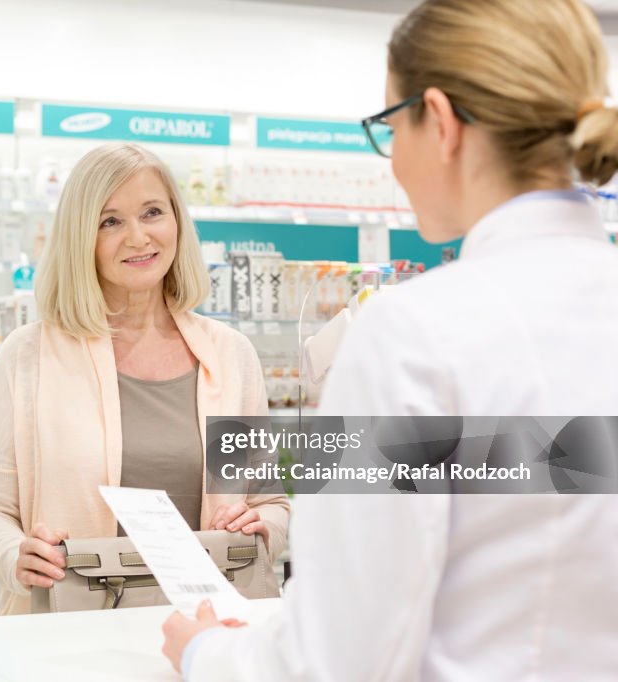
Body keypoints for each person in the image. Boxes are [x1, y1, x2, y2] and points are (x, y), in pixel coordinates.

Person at [163, 0, 618, 678]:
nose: (393, 161)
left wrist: (203, 651)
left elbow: (340, 660)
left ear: (438, 120)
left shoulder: (415, 332)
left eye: (388, 125)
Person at [0, 142, 291, 615]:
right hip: (69, 635)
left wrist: (260, 524)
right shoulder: (28, 355)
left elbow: (271, 502)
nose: (138, 237)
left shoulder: (230, 354)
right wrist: (15, 555)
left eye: (152, 212)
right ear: (81, 237)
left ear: (176, 221)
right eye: (110, 221)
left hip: (210, 632)